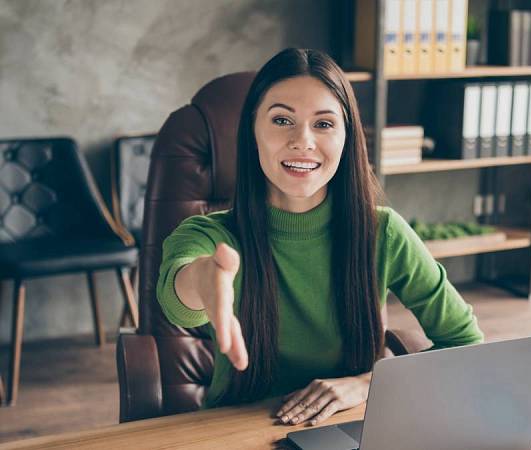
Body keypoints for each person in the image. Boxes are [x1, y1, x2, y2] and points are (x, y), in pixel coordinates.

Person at [157, 48, 483, 427]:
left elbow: (466, 345)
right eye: (282, 120)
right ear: (252, 132)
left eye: (324, 124)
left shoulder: (384, 232)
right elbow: (176, 298)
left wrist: (367, 384)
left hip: (352, 425)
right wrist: (204, 282)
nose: (303, 140)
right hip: (238, 431)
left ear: (347, 138)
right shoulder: (210, 235)